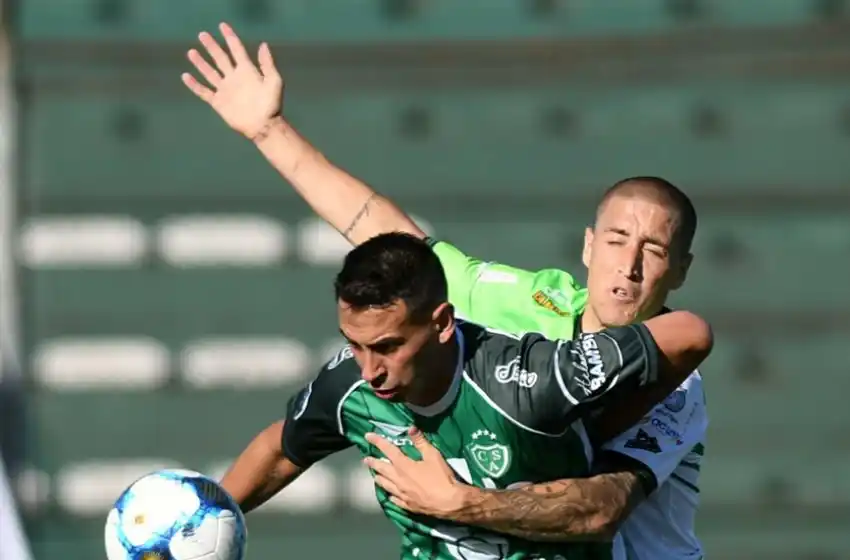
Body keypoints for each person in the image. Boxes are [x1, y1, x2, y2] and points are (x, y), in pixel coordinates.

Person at [182, 24, 708, 558]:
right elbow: (379, 231)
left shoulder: (673, 384)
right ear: (589, 247)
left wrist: (458, 502)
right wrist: (268, 130)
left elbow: (600, 508)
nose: (631, 266)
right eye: (618, 240)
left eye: (655, 251)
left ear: (681, 271)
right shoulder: (522, 301)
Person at [221, 230, 711, 559]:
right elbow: (279, 448)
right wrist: (209, 515)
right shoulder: (349, 384)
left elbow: (690, 331)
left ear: (440, 324)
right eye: (355, 344)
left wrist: (458, 502)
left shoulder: (532, 381)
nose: (369, 369)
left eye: (388, 347)